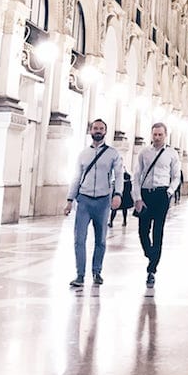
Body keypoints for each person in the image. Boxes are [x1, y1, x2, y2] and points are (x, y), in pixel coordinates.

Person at [64, 118, 123, 287]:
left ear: (105, 131)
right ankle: (80, 275)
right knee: (79, 239)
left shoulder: (113, 153)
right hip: (84, 200)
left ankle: (97, 271)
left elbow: (118, 175)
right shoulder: (83, 154)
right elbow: (76, 177)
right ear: (90, 131)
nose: (98, 130)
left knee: (101, 240)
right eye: (95, 128)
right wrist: (70, 200)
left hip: (103, 200)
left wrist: (117, 194)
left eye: (101, 128)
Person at [132, 123, 181, 288]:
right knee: (143, 230)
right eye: (155, 134)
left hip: (161, 194)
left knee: (158, 231)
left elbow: (176, 176)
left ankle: (152, 269)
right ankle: (151, 254)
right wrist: (137, 197)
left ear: (165, 135)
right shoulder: (144, 152)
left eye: (160, 134)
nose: (157, 137)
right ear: (151, 135)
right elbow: (137, 175)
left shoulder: (172, 154)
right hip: (146, 194)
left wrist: (169, 192)